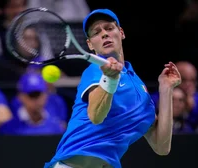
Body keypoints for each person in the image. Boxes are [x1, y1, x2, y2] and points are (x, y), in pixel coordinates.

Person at [44, 9, 182, 168]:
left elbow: (161, 146)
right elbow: (96, 116)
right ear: (90, 44)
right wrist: (109, 78)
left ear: (121, 33)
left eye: (109, 28)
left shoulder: (139, 87)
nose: (104, 34)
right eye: (96, 32)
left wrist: (166, 90)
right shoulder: (95, 71)